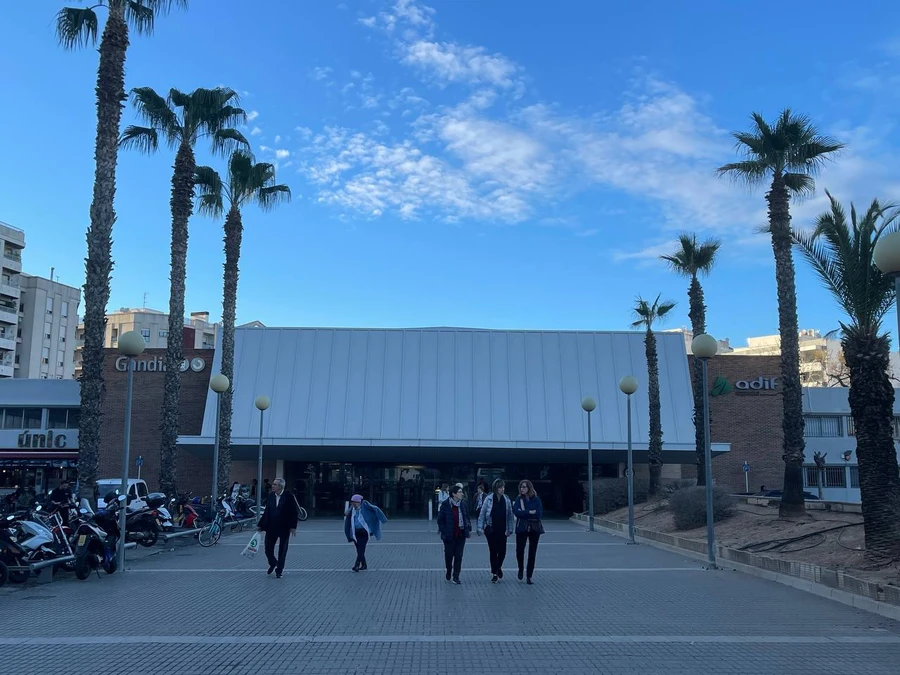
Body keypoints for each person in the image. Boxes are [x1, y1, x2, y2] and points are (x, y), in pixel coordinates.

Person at [256, 478, 299, 578]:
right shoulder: (271, 496)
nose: (272, 486)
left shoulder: (289, 496)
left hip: (284, 527)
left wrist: (293, 527)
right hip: (271, 526)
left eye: (275, 484)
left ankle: (279, 570)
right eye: (273, 484)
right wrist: (261, 525)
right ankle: (273, 563)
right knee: (268, 548)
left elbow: (294, 512)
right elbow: (267, 511)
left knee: (282, 549)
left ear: (280, 487)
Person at [476, 478, 514, 583]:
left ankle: (498, 567)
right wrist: (480, 528)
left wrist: (510, 528)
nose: (502, 489)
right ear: (496, 488)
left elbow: (510, 516)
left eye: (503, 487)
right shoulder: (489, 499)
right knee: (493, 551)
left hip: (503, 529)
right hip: (491, 529)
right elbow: (482, 514)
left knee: (502, 551)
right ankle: (494, 573)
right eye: (500, 487)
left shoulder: (506, 499)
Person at [344, 494, 388, 572]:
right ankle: (364, 565)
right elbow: (347, 519)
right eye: (353, 502)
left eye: (356, 502)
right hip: (355, 532)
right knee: (359, 549)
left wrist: (383, 519)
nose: (354, 504)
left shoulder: (365, 508)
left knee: (361, 548)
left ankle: (356, 565)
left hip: (364, 532)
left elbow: (376, 509)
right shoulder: (352, 510)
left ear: (359, 502)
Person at [437, 485, 471, 584]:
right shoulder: (445, 504)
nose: (462, 494)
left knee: (459, 555)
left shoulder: (463, 504)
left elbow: (467, 517)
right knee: (449, 555)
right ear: (454, 494)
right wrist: (444, 530)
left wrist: (467, 527)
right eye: (460, 492)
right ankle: (448, 570)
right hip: (449, 535)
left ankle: (456, 576)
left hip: (460, 534)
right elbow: (440, 520)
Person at [512, 479, 543, 585]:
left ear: (529, 488)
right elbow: (516, 512)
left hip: (534, 528)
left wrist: (524, 512)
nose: (522, 489)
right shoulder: (518, 499)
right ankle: (521, 568)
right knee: (519, 551)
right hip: (521, 527)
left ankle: (529, 575)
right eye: (521, 487)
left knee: (532, 552)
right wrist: (529, 512)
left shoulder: (536, 499)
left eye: (524, 487)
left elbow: (538, 514)